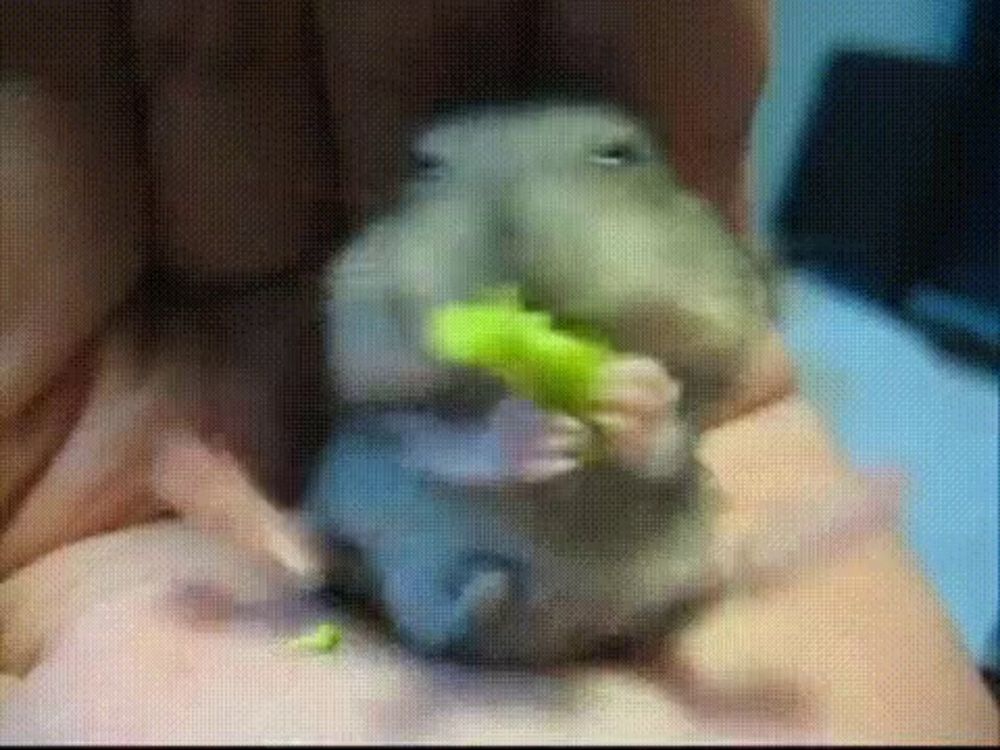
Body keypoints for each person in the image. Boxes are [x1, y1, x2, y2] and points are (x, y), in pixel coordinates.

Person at [0, 1, 996, 742]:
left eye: (612, 164)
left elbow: (668, 451)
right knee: (378, 505)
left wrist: (644, 432)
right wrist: (487, 444)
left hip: (612, 574)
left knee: (678, 539)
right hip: (431, 561)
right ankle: (355, 562)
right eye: (431, 178)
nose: (517, 229)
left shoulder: (674, 347)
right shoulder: (384, 362)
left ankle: (722, 572)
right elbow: (402, 441)